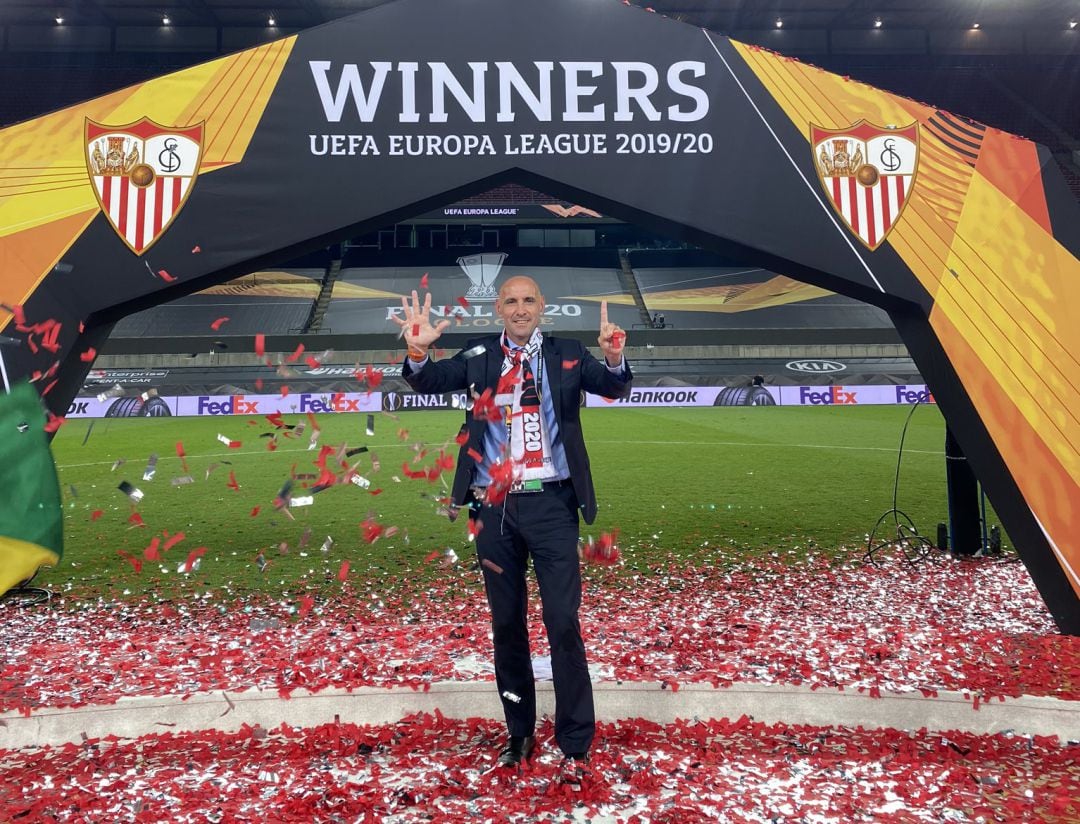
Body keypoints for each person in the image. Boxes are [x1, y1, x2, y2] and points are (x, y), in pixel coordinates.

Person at [393, 277, 631, 772]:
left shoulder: (567, 350)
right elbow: (433, 379)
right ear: (498, 308)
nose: (520, 309)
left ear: (542, 306)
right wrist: (417, 355)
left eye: (528, 300)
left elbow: (612, 386)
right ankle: (519, 733)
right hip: (493, 507)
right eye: (511, 301)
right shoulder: (478, 353)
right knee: (506, 625)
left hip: (551, 504)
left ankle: (575, 742)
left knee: (562, 622)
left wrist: (611, 358)